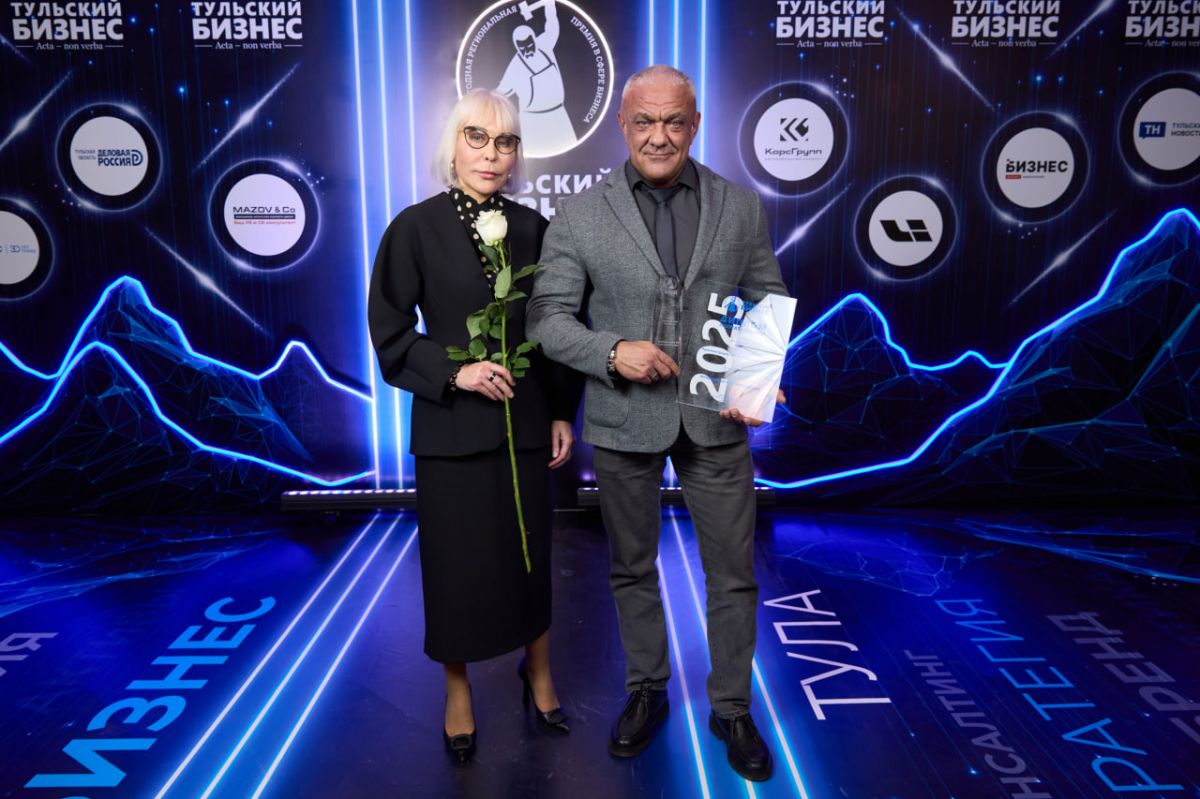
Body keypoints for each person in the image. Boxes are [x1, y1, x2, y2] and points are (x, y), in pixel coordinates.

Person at [526, 65, 788, 782]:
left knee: (732, 572)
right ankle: (646, 691)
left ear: (695, 124)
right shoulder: (582, 214)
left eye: (674, 121)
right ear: (623, 125)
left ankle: (732, 707)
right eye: (644, 121)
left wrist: (755, 380)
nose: (659, 136)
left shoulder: (739, 206)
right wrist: (612, 352)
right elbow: (546, 318)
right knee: (631, 566)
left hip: (715, 422)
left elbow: (766, 296)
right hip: (624, 420)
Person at [368, 88, 580, 765]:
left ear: (518, 153)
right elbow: (390, 332)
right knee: (455, 567)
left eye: (506, 141)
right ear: (453, 144)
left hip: (525, 424)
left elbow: (554, 330)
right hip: (450, 429)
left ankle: (538, 672)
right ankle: (457, 691)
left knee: (530, 558)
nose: (492, 154)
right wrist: (454, 372)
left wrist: (559, 410)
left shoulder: (535, 228)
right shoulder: (414, 227)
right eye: (476, 137)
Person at [496, 0, 576, 155]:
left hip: (559, 116)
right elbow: (499, 93)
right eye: (523, 48)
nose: (527, 51)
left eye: (529, 45)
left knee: (574, 154)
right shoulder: (515, 67)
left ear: (534, 40)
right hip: (532, 123)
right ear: (517, 47)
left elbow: (552, 25)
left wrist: (550, 6)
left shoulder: (544, 44)